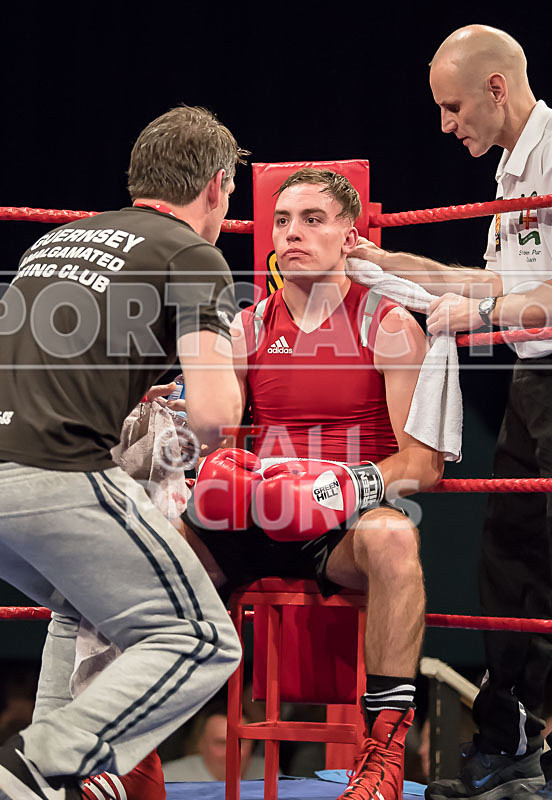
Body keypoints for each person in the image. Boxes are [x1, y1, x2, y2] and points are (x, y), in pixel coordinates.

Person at [0, 105, 247, 800]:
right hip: (51, 470)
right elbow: (216, 413)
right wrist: (180, 469)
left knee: (81, 601)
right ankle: (49, 763)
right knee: (203, 639)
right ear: (218, 187)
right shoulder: (194, 255)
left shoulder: (53, 242)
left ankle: (41, 784)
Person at [180, 167, 444, 800]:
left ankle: (382, 756)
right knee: (152, 542)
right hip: (257, 512)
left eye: (313, 219)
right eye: (282, 220)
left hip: (344, 527)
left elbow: (421, 464)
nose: (292, 233)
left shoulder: (388, 325)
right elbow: (210, 440)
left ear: (350, 235)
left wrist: (330, 490)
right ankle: (124, 752)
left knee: (395, 542)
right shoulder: (245, 329)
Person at [350, 24, 552, 800]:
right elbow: (498, 284)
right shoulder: (513, 172)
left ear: (496, 87)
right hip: (533, 397)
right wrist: (396, 264)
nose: (445, 123)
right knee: (511, 569)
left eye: (453, 105)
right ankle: (512, 750)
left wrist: (482, 321)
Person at [162, 701, 265, 782]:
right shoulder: (171, 778)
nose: (231, 752)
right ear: (200, 744)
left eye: (240, 742)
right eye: (221, 743)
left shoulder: (266, 772)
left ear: (252, 743)